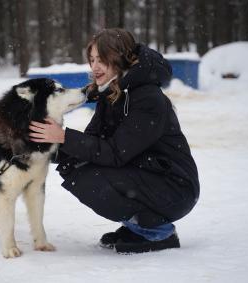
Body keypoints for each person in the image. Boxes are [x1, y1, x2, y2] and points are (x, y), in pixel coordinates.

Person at [28, 28, 200, 254]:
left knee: (90, 176)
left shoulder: (148, 98)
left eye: (102, 59)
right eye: (92, 60)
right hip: (149, 176)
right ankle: (140, 227)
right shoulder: (112, 94)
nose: (95, 67)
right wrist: (43, 147)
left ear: (120, 58)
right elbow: (91, 143)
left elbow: (115, 152)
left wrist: (63, 136)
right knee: (76, 167)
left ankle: (158, 233)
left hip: (174, 188)